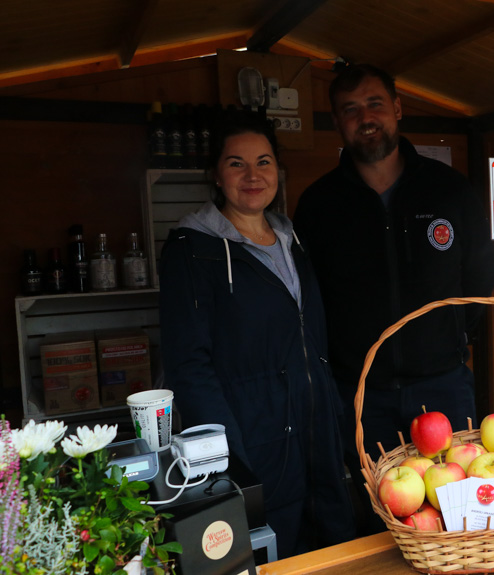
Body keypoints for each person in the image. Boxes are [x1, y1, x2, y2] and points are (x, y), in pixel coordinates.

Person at [293, 64, 494, 504]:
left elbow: (481, 275)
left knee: (457, 508)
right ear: (337, 122)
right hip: (361, 394)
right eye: (350, 109)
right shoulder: (318, 204)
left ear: (398, 109)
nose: (365, 117)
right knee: (375, 512)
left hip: (443, 385)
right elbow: (308, 299)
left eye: (374, 104)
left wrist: (454, 336)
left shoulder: (449, 190)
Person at [159, 110, 355, 558]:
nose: (253, 175)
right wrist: (227, 455)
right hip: (251, 433)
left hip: (314, 428)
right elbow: (188, 363)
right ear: (216, 173)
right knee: (268, 548)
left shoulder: (292, 239)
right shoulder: (192, 252)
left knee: (331, 547)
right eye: (237, 163)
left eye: (263, 162)